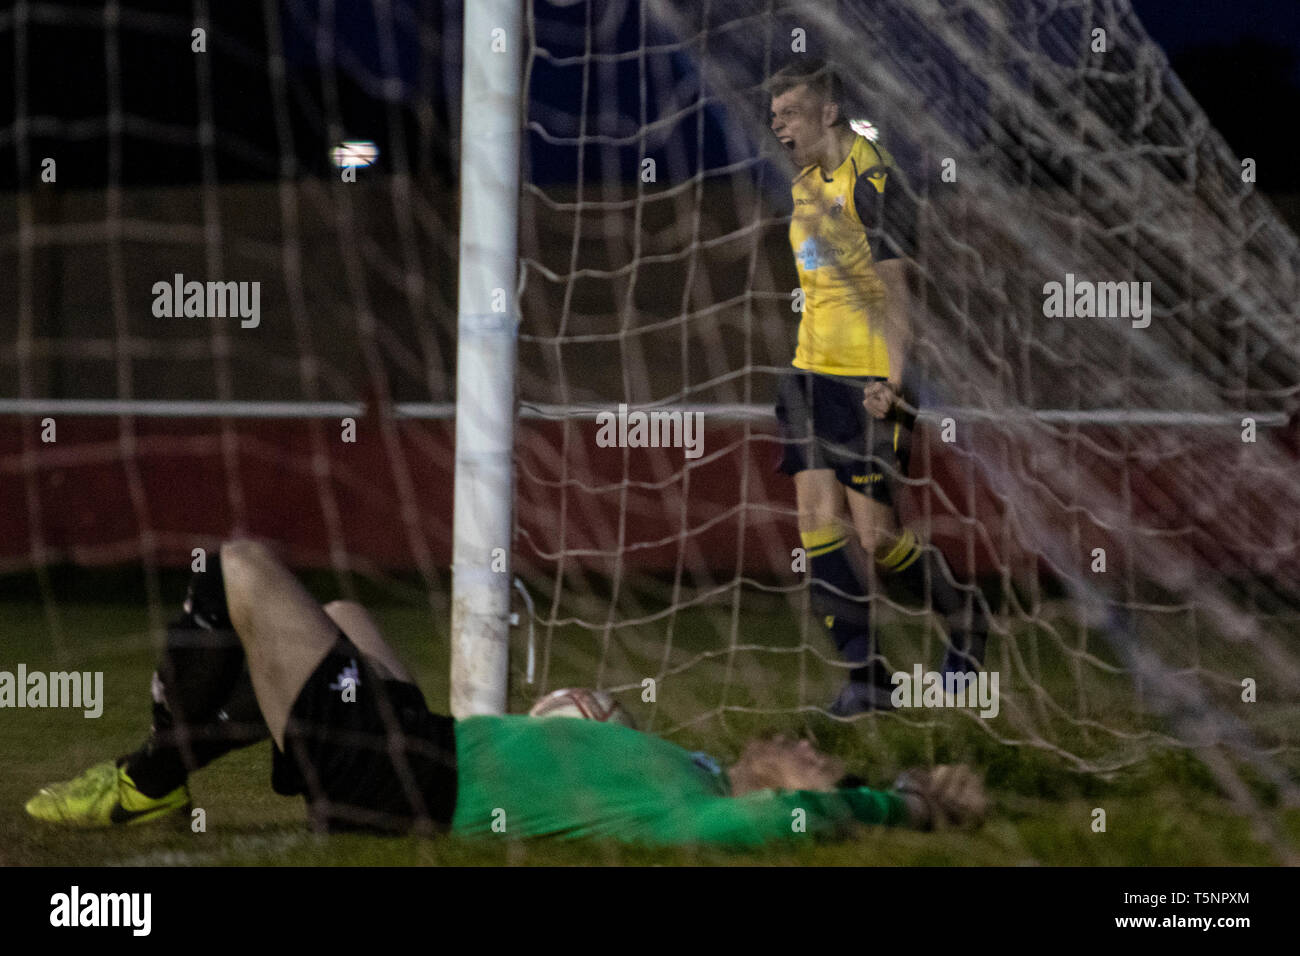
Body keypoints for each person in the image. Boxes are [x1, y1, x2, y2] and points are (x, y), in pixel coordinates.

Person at [25, 540, 986, 846]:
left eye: (814, 763)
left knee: (233, 566)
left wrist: (890, 802)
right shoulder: (683, 764)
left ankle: (153, 772)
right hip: (425, 740)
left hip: (399, 779)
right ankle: (248, 740)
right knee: (347, 610)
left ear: (781, 792)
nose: (807, 746)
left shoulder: (693, 809)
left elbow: (768, 830)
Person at [767, 59, 989, 716]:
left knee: (878, 542)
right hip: (810, 373)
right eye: (774, 116)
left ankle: (968, 619)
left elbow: (898, 295)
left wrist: (892, 384)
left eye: (792, 114)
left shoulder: (875, 179)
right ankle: (869, 678)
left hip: (869, 380)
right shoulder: (806, 185)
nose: (780, 127)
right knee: (814, 522)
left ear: (829, 112)